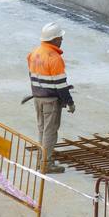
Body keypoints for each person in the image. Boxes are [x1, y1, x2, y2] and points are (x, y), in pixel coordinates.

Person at [26, 22, 74, 173]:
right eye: (60, 37)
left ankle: (42, 160)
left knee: (42, 129)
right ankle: (46, 163)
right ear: (54, 40)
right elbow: (60, 84)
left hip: (38, 98)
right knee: (50, 132)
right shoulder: (54, 58)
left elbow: (33, 75)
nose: (61, 40)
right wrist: (69, 102)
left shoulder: (34, 53)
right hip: (50, 101)